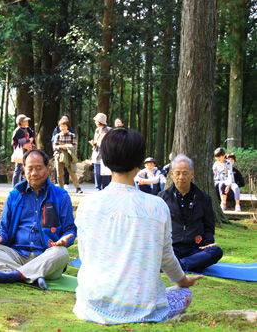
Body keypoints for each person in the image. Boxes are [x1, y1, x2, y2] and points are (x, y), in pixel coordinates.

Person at [74, 129, 203, 324]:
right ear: (139, 163)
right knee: (184, 293)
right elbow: (166, 256)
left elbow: (86, 256)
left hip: (92, 305)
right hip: (143, 309)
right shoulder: (157, 206)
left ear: (107, 161)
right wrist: (183, 281)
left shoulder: (87, 205)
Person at [0, 149, 76, 290]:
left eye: (39, 168)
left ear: (47, 169)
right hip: (17, 254)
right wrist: (0, 237)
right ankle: (33, 276)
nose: (34, 173)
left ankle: (11, 274)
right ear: (24, 169)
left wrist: (64, 240)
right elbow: (4, 229)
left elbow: (69, 229)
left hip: (46, 255)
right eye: (30, 169)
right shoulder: (14, 195)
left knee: (62, 253)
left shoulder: (61, 196)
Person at [158, 154, 224, 272]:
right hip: (171, 248)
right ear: (172, 174)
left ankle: (179, 266)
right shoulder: (162, 198)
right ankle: (187, 265)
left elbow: (209, 228)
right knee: (154, 252)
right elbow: (156, 227)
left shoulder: (204, 199)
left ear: (192, 174)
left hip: (194, 249)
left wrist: (208, 243)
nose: (181, 177)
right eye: (177, 173)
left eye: (185, 173)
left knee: (216, 251)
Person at [53, 119, 82, 193]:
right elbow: (54, 146)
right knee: (59, 174)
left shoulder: (72, 135)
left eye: (64, 126)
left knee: (72, 172)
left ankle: (78, 188)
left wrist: (67, 147)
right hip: (59, 155)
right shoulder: (57, 136)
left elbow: (74, 146)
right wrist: (61, 147)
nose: (63, 128)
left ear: (67, 127)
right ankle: (60, 188)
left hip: (69, 156)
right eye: (61, 126)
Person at [89, 113, 112, 191]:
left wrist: (98, 143)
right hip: (97, 153)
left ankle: (106, 189)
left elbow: (108, 142)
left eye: (96, 120)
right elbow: (97, 141)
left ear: (99, 121)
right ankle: (97, 189)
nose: (95, 122)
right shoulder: (97, 130)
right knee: (97, 173)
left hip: (105, 154)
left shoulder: (109, 130)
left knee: (105, 173)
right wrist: (94, 143)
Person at [213, 147, 241, 212]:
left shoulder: (228, 163)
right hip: (217, 180)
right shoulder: (216, 164)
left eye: (219, 158)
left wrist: (228, 185)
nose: (218, 159)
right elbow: (213, 174)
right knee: (218, 184)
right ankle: (221, 203)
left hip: (227, 181)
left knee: (236, 188)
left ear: (224, 156)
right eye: (216, 158)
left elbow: (230, 174)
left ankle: (237, 205)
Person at [11, 114, 35, 188]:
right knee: (18, 169)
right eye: (25, 120)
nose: (27, 121)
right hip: (20, 153)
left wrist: (32, 138)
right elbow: (13, 143)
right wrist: (23, 146)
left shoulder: (28, 129)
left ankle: (23, 185)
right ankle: (14, 187)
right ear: (21, 122)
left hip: (27, 152)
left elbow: (33, 134)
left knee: (25, 168)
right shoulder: (17, 131)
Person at [52, 114, 74, 189]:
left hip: (67, 152)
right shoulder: (56, 129)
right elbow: (53, 140)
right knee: (57, 168)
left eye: (66, 118)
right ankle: (57, 182)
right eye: (63, 118)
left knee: (67, 167)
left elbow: (73, 142)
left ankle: (66, 183)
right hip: (58, 152)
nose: (65, 119)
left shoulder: (70, 129)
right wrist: (57, 149)